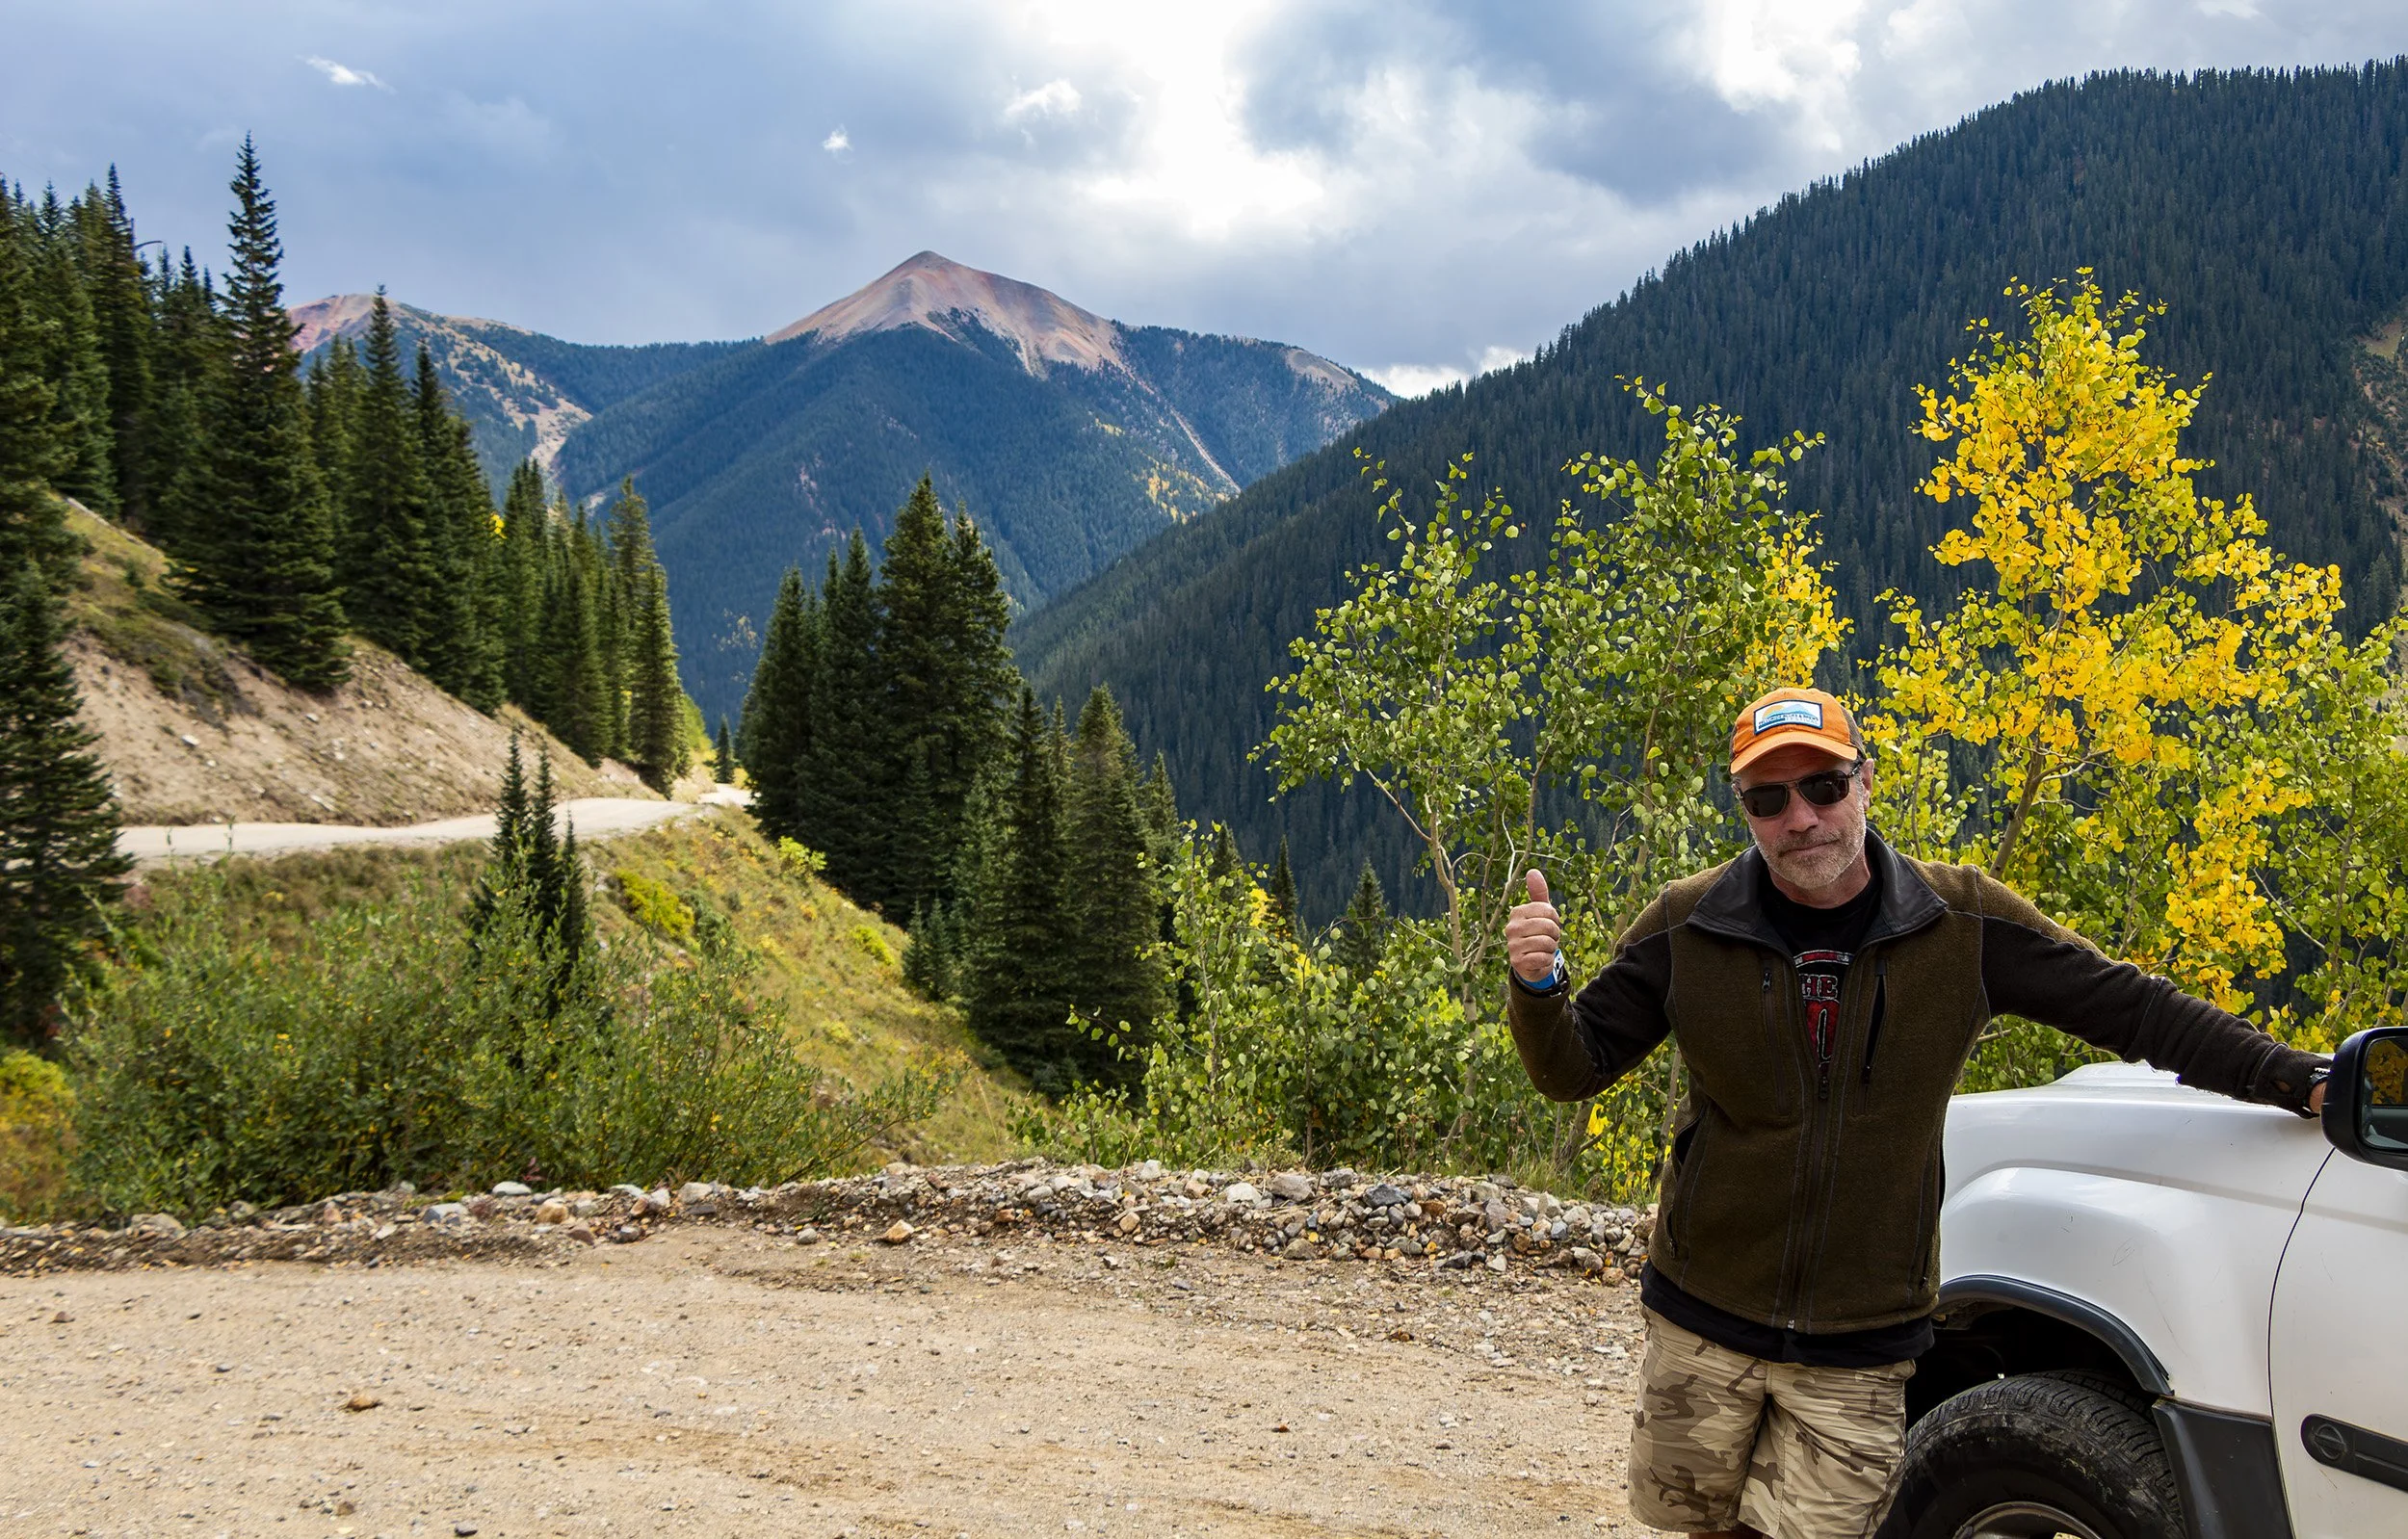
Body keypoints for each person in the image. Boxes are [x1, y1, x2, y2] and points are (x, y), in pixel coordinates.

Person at [1502, 686, 2329, 1539]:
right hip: (1702, 1310)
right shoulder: (1687, 922)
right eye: (1768, 798)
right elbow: (1574, 1066)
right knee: (1696, 1518)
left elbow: (2136, 1010)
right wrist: (1537, 987)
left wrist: (2298, 1080)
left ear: (1865, 782)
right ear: (1744, 809)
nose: (1801, 818)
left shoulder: (1961, 922)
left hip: (1864, 1335)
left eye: (1822, 787)